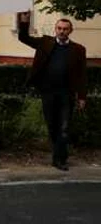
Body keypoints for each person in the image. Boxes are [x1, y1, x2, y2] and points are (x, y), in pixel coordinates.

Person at [17, 12, 87, 171]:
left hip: (66, 94)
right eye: (59, 28)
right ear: (55, 29)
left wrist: (82, 96)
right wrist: (24, 22)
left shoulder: (78, 50)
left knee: (64, 127)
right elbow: (24, 38)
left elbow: (82, 74)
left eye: (65, 29)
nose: (62, 31)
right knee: (52, 126)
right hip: (48, 93)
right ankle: (58, 155)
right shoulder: (45, 43)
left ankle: (60, 159)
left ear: (70, 31)